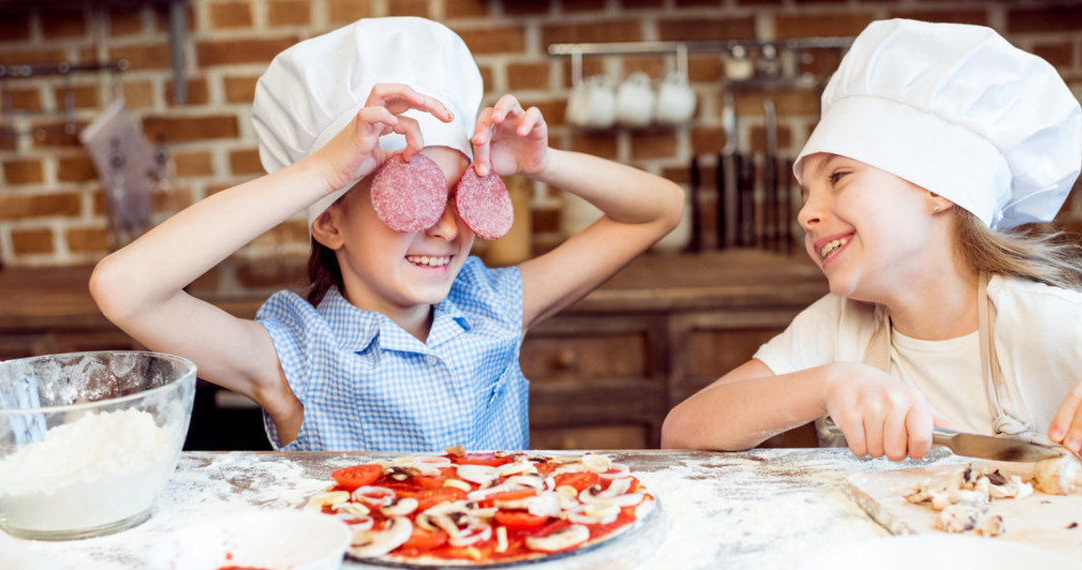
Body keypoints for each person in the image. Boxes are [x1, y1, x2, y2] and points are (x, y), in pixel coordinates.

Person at [661, 19, 1082, 460]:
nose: (807, 215)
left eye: (839, 177)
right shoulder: (838, 326)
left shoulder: (1048, 325)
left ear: (940, 187)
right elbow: (683, 430)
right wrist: (826, 382)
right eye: (804, 194)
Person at [90, 17, 683, 452]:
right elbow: (125, 289)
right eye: (410, 194)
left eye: (458, 194)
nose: (450, 226)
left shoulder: (493, 307)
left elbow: (659, 208)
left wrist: (539, 164)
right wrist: (321, 173)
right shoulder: (292, 357)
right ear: (329, 221)